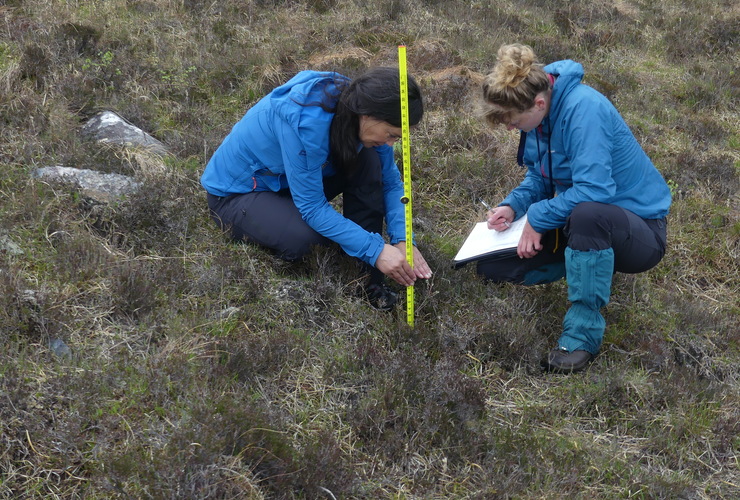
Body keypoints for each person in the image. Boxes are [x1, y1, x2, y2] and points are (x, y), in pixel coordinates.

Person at [477, 44, 671, 373]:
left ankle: (581, 338)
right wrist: (513, 206)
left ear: (539, 103)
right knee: (493, 268)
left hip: (638, 231)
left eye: (514, 121)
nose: (511, 129)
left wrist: (538, 217)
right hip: (580, 224)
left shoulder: (585, 109)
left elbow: (595, 190)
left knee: (588, 213)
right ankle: (586, 263)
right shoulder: (540, 117)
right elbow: (541, 176)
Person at [201, 67, 432, 310]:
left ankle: (367, 277)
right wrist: (375, 249)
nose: (391, 143)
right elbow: (311, 207)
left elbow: (392, 182)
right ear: (368, 113)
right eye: (391, 134)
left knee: (370, 161)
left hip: (290, 182)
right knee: (308, 240)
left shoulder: (360, 115)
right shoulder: (305, 122)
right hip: (239, 194)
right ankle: (364, 256)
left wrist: (403, 238)